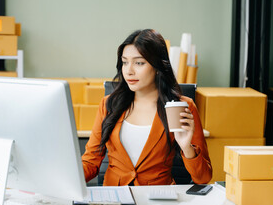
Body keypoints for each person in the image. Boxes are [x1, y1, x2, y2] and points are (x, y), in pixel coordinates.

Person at [82, 29, 212, 186]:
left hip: (158, 201)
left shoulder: (182, 107)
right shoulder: (108, 104)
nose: (129, 71)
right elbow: (90, 163)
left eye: (139, 63)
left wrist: (187, 147)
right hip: (115, 200)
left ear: (157, 67)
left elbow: (203, 178)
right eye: (124, 62)